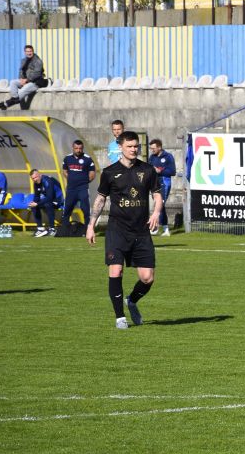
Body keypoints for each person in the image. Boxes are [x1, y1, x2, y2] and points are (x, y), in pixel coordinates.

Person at [86, 130, 162, 330]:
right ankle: (120, 317)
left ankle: (132, 301)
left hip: (141, 232)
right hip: (117, 231)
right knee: (116, 270)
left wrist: (156, 213)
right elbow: (100, 199)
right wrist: (91, 225)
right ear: (120, 147)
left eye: (136, 146)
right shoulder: (110, 172)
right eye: (129, 146)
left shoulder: (148, 170)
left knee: (147, 278)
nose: (133, 149)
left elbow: (157, 195)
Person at [0, 45, 48, 110]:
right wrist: (21, 79)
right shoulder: (23, 60)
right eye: (27, 51)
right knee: (13, 82)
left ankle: (5, 104)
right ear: (25, 52)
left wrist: (26, 80)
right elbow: (21, 71)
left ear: (33, 51)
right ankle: (15, 98)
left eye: (30, 51)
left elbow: (37, 74)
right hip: (25, 81)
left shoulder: (38, 61)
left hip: (35, 82)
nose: (29, 53)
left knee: (22, 91)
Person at [61, 139, 96, 229]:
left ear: (82, 148)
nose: (78, 150)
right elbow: (64, 171)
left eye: (80, 148)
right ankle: (64, 228)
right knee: (67, 208)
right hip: (71, 188)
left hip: (83, 188)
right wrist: (71, 179)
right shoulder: (67, 158)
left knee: (85, 209)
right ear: (73, 148)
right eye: (76, 148)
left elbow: (92, 174)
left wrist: (83, 182)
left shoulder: (88, 159)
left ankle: (88, 229)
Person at [148, 138, 176, 237]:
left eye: (154, 148)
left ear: (159, 147)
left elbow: (172, 171)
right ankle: (166, 229)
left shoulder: (168, 156)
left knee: (159, 204)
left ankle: (154, 228)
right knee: (159, 205)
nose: (152, 150)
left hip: (164, 182)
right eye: (151, 148)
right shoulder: (152, 157)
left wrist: (160, 171)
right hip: (154, 183)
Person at [27, 169, 63, 237]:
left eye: (36, 177)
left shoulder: (47, 181)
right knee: (34, 207)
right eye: (33, 178)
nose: (35, 180)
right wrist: (33, 203)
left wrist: (37, 203)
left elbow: (50, 197)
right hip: (48, 199)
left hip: (57, 199)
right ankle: (40, 229)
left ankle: (52, 229)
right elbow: (37, 196)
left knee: (47, 204)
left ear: (39, 175)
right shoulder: (35, 183)